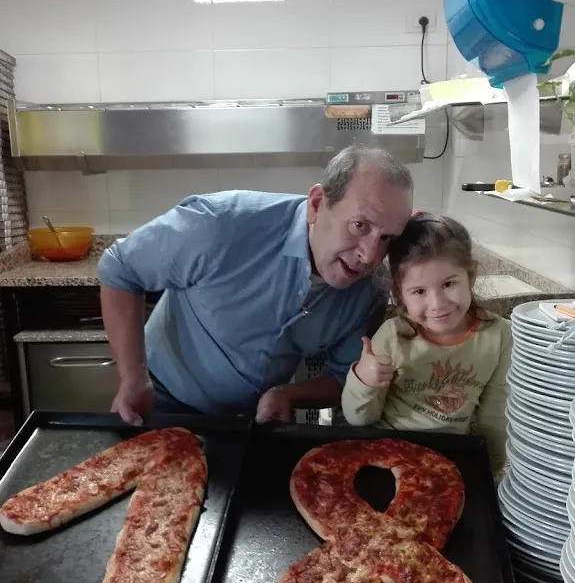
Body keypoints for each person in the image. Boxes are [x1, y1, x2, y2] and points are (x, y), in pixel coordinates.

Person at [97, 145, 414, 425]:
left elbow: (342, 375)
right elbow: (119, 268)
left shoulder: (369, 290)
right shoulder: (219, 225)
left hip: (251, 420)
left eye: (386, 237)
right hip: (159, 399)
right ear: (317, 204)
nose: (369, 255)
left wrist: (287, 395)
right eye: (360, 225)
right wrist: (132, 377)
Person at [341, 213, 511, 475]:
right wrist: (364, 379)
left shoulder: (499, 335)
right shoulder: (392, 337)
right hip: (386, 456)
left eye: (449, 284)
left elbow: (495, 419)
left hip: (451, 460)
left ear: (471, 276)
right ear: (399, 293)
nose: (438, 304)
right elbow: (360, 419)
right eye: (419, 291)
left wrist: (492, 476)